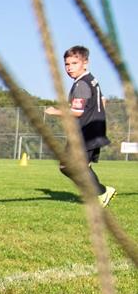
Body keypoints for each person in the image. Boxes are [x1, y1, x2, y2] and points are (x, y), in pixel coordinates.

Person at [45, 45, 115, 206]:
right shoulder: (92, 80)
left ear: (85, 63)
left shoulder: (81, 84)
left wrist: (54, 111)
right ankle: (99, 194)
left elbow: (77, 111)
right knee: (80, 166)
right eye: (67, 64)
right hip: (93, 129)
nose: (69, 68)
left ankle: (101, 192)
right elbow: (103, 101)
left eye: (74, 63)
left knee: (66, 166)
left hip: (86, 132)